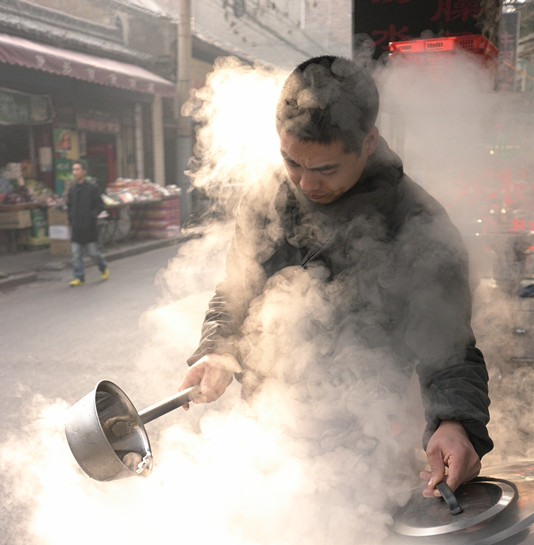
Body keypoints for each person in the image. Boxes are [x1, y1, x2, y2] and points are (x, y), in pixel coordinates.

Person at [178, 55, 493, 498]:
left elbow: (450, 349)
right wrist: (215, 348)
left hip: (368, 439)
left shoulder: (419, 224)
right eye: (292, 162)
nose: (305, 183)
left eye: (325, 169)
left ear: (368, 142)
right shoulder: (268, 196)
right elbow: (235, 292)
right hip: (268, 428)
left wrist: (455, 422)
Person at [67, 160, 109, 286]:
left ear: (84, 171)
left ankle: (103, 267)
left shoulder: (92, 187)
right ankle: (79, 277)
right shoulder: (72, 189)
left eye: (78, 169)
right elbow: (69, 205)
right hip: (76, 227)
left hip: (89, 227)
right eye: (74, 169)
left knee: (93, 253)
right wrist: (71, 218)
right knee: (75, 254)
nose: (75, 172)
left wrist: (92, 216)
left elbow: (100, 205)